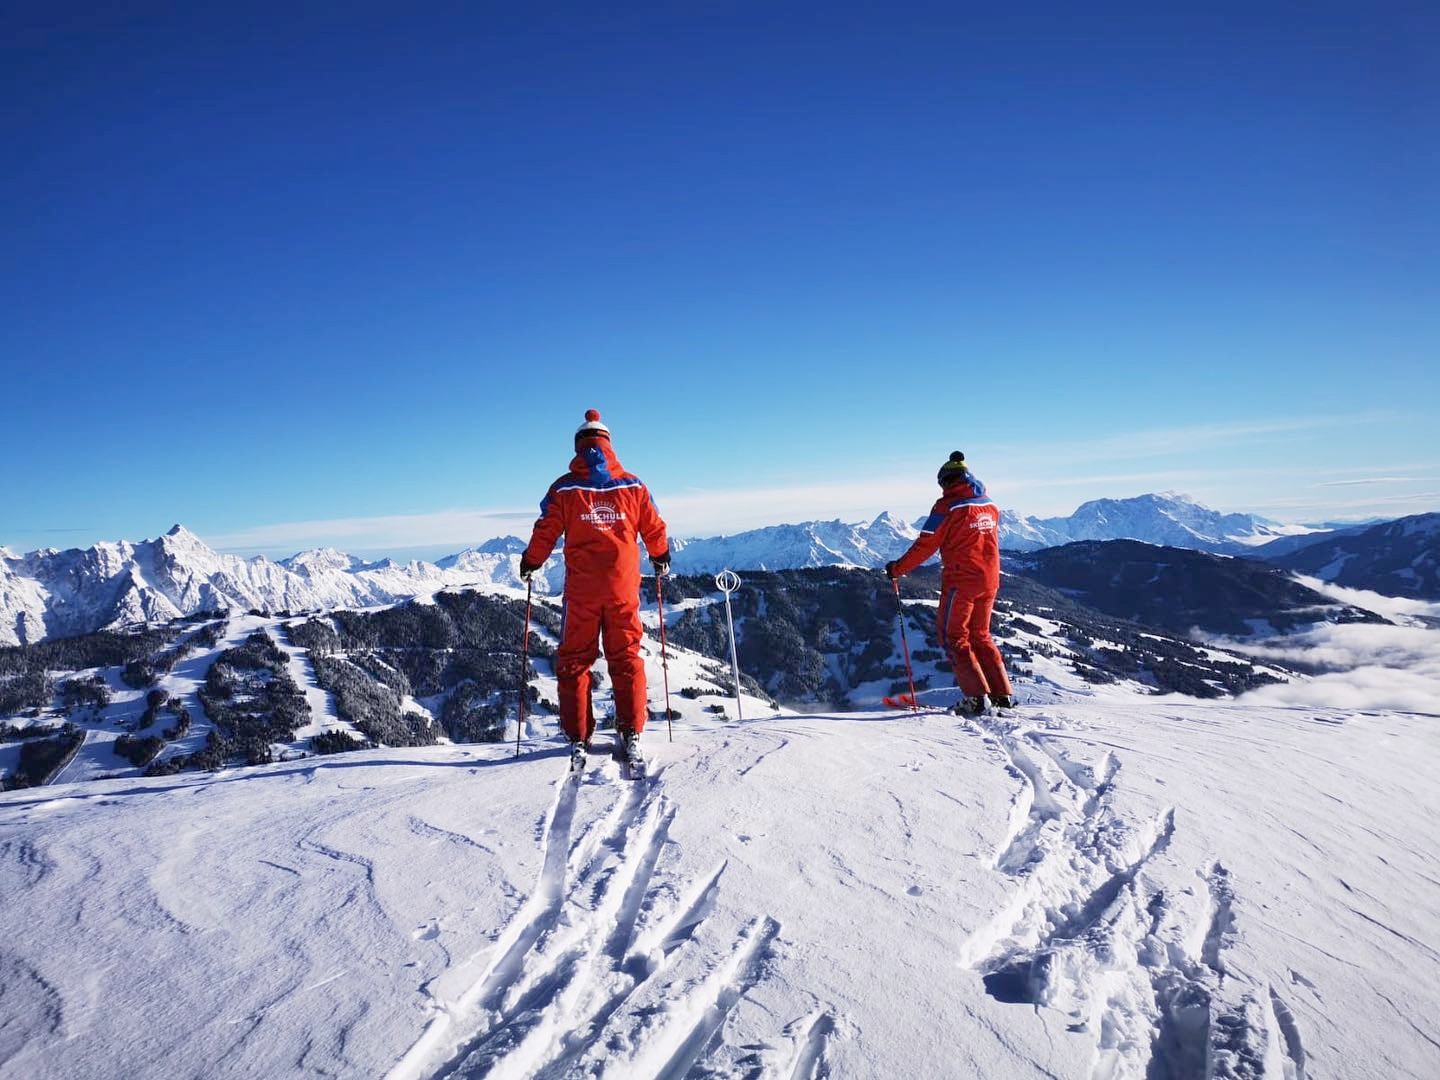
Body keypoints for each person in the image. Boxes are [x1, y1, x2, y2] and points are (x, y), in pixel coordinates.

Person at [520, 410, 670, 770]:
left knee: (575, 660)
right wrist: (660, 556)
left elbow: (546, 529)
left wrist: (531, 561)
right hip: (622, 588)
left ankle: (578, 735)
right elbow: (653, 525)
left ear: (578, 447)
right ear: (609, 444)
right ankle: (631, 731)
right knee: (626, 657)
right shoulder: (633, 486)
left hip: (582, 592)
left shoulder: (564, 488)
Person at [885, 451, 1015, 716]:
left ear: (946, 480)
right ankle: (1002, 695)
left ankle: (976, 698)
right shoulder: (990, 505)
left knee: (953, 636)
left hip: (962, 581)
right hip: (990, 579)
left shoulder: (948, 507)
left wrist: (897, 569)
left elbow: (926, 545)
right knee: (980, 634)